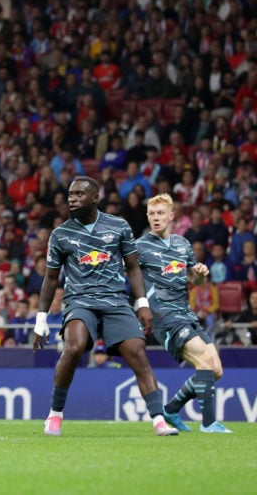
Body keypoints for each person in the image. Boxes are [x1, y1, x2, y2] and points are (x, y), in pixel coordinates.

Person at [32, 176, 178, 437]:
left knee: (137, 352)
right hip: (79, 301)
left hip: (115, 301)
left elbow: (133, 267)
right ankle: (55, 414)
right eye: (70, 194)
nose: (72, 199)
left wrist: (142, 303)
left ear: (95, 198)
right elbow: (51, 278)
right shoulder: (61, 234)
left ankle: (158, 420)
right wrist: (40, 320)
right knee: (74, 346)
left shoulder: (119, 226)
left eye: (79, 194)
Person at [136, 194, 232, 433]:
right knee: (204, 361)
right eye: (152, 214)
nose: (156, 218)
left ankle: (171, 408)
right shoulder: (140, 247)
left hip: (186, 313)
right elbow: (127, 275)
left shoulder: (182, 244)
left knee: (216, 370)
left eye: (160, 213)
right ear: (148, 217)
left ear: (171, 216)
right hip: (163, 316)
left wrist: (199, 272)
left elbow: (194, 279)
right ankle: (208, 423)